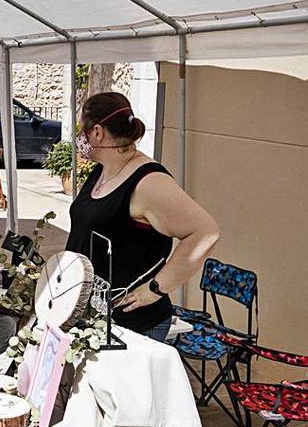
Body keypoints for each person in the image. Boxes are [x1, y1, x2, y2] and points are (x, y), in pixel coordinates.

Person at [66, 92, 220, 342]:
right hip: (94, 319)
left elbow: (206, 232)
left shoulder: (149, 182)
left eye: (80, 128)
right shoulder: (101, 172)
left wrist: (156, 288)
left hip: (131, 326)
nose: (79, 137)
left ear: (97, 132)